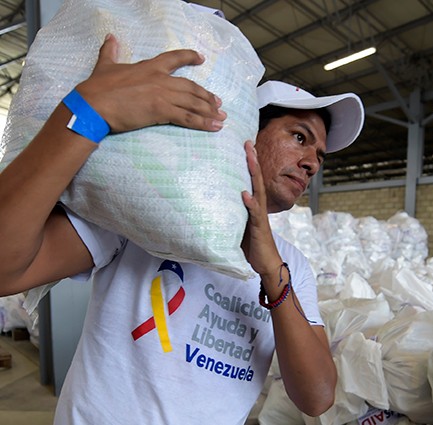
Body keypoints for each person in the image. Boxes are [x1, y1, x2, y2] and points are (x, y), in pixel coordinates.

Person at [0, 33, 364, 424]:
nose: (312, 162)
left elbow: (318, 397)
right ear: (247, 131)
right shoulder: (150, 215)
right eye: (298, 137)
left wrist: (271, 272)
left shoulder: (291, 268)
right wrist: (88, 111)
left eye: (320, 155)